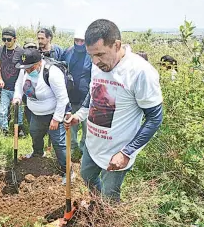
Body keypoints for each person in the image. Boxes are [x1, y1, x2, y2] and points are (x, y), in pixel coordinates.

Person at [64, 19, 163, 201]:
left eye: (100, 54)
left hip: (116, 152)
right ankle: (97, 206)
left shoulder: (140, 72)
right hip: (93, 145)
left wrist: (127, 152)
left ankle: (107, 222)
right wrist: (80, 115)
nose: (94, 61)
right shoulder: (98, 65)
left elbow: (155, 117)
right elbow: (93, 94)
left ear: (116, 45)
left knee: (110, 196)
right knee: (87, 177)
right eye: (91, 55)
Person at [13, 49, 72, 185]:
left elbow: (63, 98)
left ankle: (67, 171)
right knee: (35, 133)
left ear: (39, 62)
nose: (27, 71)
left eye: (30, 68)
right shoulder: (24, 70)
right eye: (25, 68)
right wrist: (17, 97)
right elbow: (18, 84)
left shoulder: (51, 72)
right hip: (36, 113)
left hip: (54, 113)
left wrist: (56, 119)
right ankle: (38, 153)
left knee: (59, 143)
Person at [60, 28, 92, 153]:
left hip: (86, 97)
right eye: (77, 40)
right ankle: (72, 147)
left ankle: (84, 148)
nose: (79, 43)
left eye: (82, 41)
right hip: (70, 96)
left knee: (86, 126)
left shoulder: (91, 54)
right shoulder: (68, 52)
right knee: (71, 123)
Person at [0, 27, 25, 137]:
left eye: (9, 39)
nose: (6, 42)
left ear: (15, 39)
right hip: (4, 88)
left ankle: (19, 129)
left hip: (17, 88)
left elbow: (24, 69)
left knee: (19, 111)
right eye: (4, 39)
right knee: (3, 111)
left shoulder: (20, 51)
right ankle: (4, 130)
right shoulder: (0, 50)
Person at [22, 38, 39, 125]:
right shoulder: (22, 60)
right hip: (27, 90)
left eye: (33, 47)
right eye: (29, 47)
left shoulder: (40, 60)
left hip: (39, 92)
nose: (31, 49)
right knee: (27, 108)